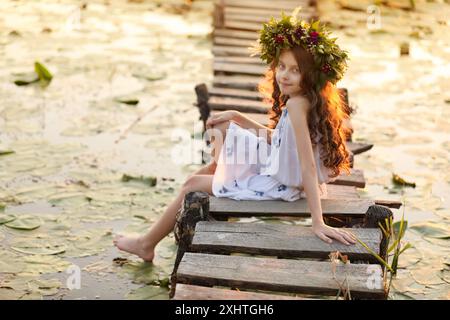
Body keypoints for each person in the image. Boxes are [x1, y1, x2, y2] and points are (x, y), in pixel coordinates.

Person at [114, 12, 357, 262]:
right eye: (281, 67)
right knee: (223, 128)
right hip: (283, 168)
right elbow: (282, 143)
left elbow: (306, 165)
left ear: (310, 75)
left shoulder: (297, 105)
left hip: (284, 184)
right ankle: (219, 173)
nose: (284, 75)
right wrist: (238, 117)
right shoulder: (302, 100)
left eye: (295, 70)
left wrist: (318, 222)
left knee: (191, 186)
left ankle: (146, 244)